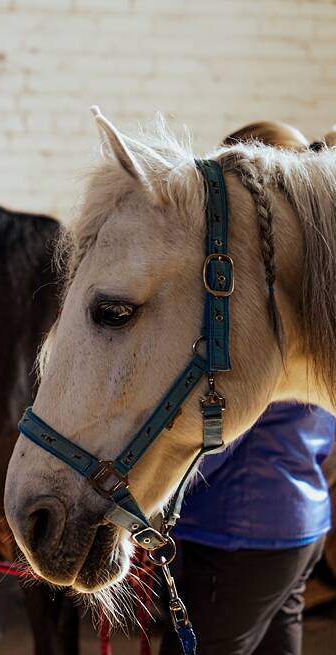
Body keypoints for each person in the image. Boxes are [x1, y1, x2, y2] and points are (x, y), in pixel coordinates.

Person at [158, 122, 335, 655]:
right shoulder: (316, 298)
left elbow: (221, 435)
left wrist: (156, 498)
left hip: (238, 530)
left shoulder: (252, 313)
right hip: (303, 521)